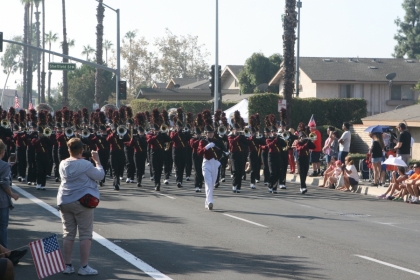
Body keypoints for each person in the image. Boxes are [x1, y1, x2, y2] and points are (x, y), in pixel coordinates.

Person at [57, 138, 104, 275]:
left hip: (64, 200)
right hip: (82, 201)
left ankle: (68, 265)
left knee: (68, 233)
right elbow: (100, 176)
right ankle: (83, 267)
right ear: (82, 150)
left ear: (69, 150)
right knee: (85, 234)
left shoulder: (62, 163)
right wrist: (97, 161)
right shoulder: (85, 164)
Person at [0, 140, 19, 249]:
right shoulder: (4, 166)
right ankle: (4, 252)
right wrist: (12, 195)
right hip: (1, 201)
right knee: (3, 227)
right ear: (2, 152)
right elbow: (4, 183)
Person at [197, 125, 222, 210]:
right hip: (206, 163)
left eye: (212, 132)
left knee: (212, 184)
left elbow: (222, 150)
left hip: (214, 163)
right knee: (208, 182)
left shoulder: (216, 141)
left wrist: (220, 160)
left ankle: (207, 201)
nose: (211, 134)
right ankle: (210, 201)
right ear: (205, 133)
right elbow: (199, 153)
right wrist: (206, 147)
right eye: (209, 133)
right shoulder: (202, 142)